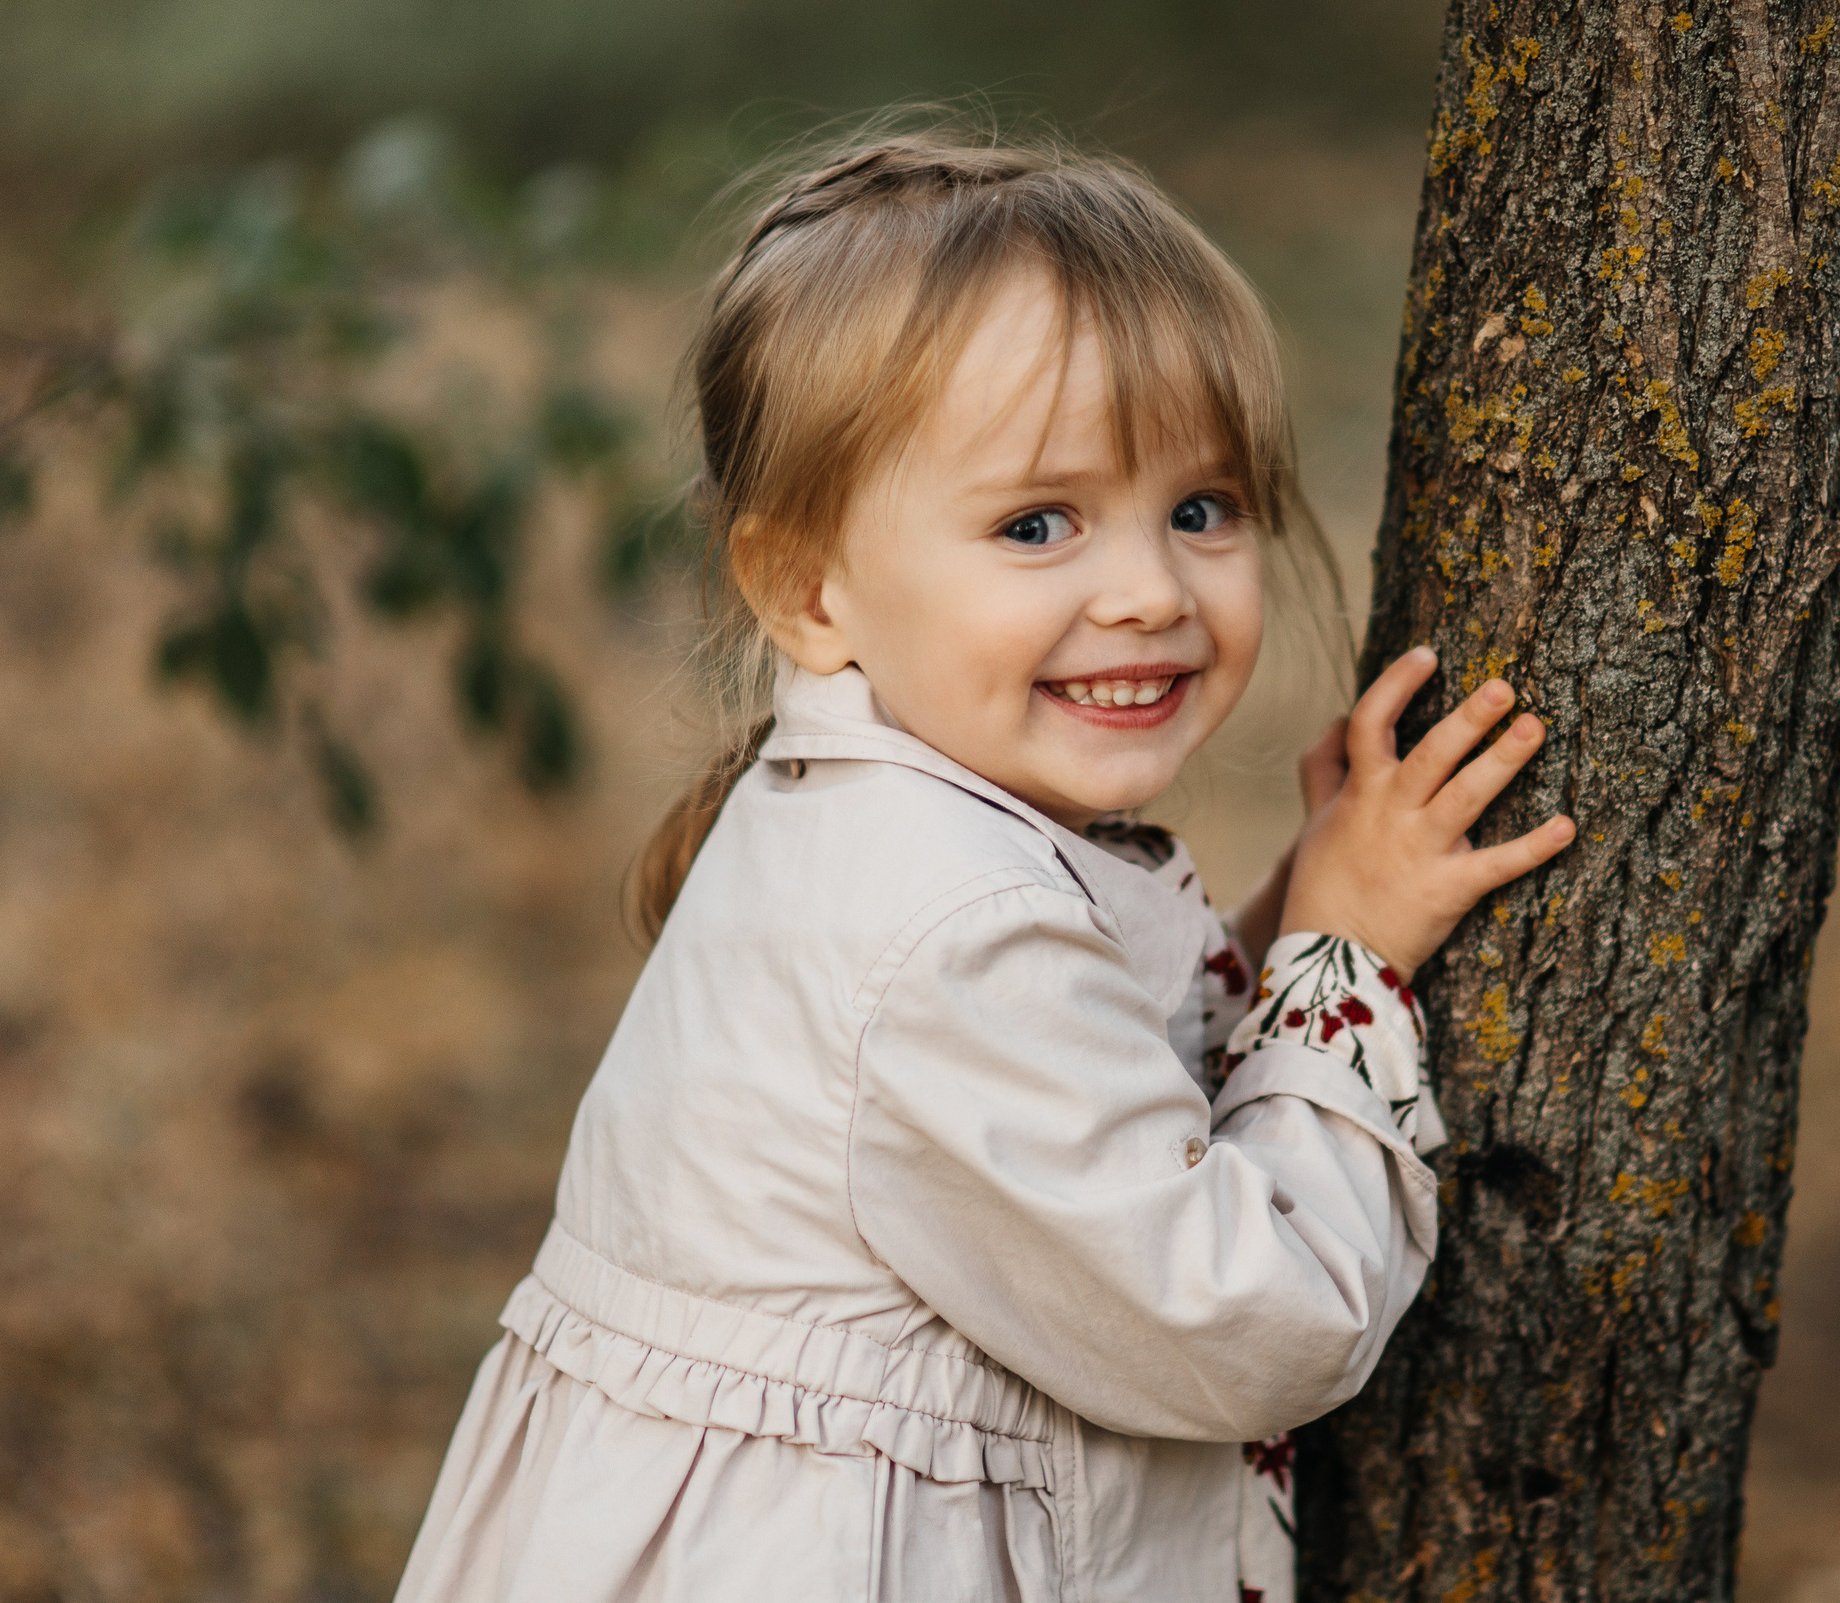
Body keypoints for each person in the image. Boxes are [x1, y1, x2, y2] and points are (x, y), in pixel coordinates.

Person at [394, 126, 1574, 1603]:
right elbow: (1249, 1323)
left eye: (1199, 509)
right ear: (808, 588)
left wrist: (1300, 911)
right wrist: (1345, 971)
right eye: (1037, 524)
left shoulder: (898, 824)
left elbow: (1108, 1075)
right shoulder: (951, 921)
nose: (1148, 590)